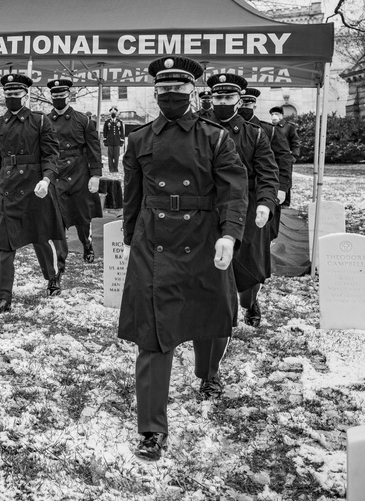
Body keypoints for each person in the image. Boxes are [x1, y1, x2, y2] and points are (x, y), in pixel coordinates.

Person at [119, 57, 247, 461]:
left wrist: (229, 234)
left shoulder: (214, 137)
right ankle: (152, 428)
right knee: (152, 333)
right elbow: (132, 196)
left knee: (210, 315)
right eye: (163, 92)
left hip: (204, 237)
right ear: (156, 94)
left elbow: (233, 189)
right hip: (153, 241)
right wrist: (129, 240)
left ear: (192, 93)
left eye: (177, 91)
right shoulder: (139, 139)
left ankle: (208, 375)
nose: (170, 98)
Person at [191, 74, 277, 399]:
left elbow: (269, 173)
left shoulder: (255, 134)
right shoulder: (195, 128)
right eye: (218, 98)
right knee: (216, 295)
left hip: (248, 211)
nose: (223, 103)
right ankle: (209, 373)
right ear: (211, 99)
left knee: (248, 274)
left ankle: (250, 303)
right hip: (208, 216)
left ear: (239, 100)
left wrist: (267, 203)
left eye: (230, 98)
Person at [0, 72, 66, 312]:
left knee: (40, 236)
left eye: (16, 94)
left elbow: (51, 154)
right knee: (2, 245)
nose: (12, 98)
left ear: (26, 95)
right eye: (8, 94)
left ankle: (53, 275)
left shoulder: (40, 121)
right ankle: (1, 297)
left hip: (35, 186)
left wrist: (46, 178)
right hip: (7, 188)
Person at [45, 78, 102, 267]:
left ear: (69, 96)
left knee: (82, 216)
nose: (59, 99)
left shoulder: (83, 120)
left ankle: (87, 244)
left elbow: (94, 149)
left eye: (62, 96)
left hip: (79, 172)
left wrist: (95, 175)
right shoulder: (44, 121)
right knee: (57, 217)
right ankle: (60, 260)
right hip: (55, 172)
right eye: (55, 96)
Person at [246, 90, 292, 240]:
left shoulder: (269, 130)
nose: (244, 107)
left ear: (254, 105)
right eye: (242, 102)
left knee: (264, 234)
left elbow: (284, 159)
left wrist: (283, 187)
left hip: (264, 188)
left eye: (248, 103)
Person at [270, 106, 300, 206]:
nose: (274, 116)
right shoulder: (270, 127)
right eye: (272, 114)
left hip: (285, 159)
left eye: (276, 114)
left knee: (286, 180)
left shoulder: (289, 127)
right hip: (273, 158)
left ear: (282, 116)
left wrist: (294, 156)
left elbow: (295, 142)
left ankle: (285, 203)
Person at [102, 106, 124, 172]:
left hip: (117, 141)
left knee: (116, 156)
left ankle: (115, 168)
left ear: (116, 113)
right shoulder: (107, 122)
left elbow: (122, 131)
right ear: (110, 113)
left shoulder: (119, 122)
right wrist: (105, 140)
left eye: (115, 112)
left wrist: (122, 140)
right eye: (112, 112)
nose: (113, 113)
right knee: (110, 156)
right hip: (110, 141)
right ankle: (111, 169)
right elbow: (105, 131)